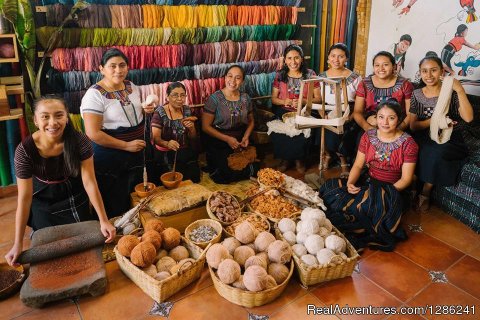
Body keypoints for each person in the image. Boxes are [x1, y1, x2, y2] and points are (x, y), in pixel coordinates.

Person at [5, 97, 116, 266]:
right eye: (45, 117)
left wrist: (104, 220)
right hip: (42, 195)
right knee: (47, 242)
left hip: (73, 191)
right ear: (35, 120)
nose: (53, 122)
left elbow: (89, 182)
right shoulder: (24, 151)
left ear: (66, 117)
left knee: (83, 240)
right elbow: (24, 198)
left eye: (58, 115)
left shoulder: (80, 141)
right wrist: (17, 244)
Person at [320, 99, 418, 251]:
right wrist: (350, 183)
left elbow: (406, 179)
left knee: (365, 207)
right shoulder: (368, 136)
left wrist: (385, 193)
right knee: (329, 189)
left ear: (398, 119)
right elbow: (358, 165)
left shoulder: (408, 143)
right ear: (376, 117)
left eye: (391, 118)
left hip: (393, 190)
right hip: (369, 182)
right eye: (381, 117)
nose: (385, 122)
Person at [81, 48, 155, 217]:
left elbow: (135, 114)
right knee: (115, 198)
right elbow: (93, 133)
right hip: (110, 155)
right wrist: (125, 145)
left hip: (136, 150)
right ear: (101, 69)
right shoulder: (94, 95)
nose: (118, 70)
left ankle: (138, 227)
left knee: (136, 193)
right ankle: (117, 233)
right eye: (112, 66)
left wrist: (146, 110)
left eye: (122, 65)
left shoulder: (132, 87)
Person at [409, 55, 474, 211]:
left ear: (441, 72)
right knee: (414, 147)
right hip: (424, 134)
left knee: (436, 152)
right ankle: (411, 187)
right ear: (420, 73)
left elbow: (469, 118)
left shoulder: (451, 92)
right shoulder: (417, 94)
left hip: (449, 136)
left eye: (433, 70)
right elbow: (413, 126)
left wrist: (459, 89)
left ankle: (426, 190)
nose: (429, 75)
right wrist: (434, 120)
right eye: (424, 71)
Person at [201, 65, 259, 184]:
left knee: (256, 168)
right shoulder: (214, 99)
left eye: (238, 78)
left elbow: (251, 121)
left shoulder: (245, 98)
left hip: (240, 139)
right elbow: (205, 127)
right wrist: (227, 139)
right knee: (223, 175)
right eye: (230, 76)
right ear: (225, 77)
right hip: (220, 140)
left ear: (242, 81)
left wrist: (246, 137)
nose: (233, 81)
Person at [270, 44, 321, 173]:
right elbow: (273, 99)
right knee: (281, 131)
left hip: (304, 111)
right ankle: (285, 159)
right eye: (290, 58)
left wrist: (303, 101)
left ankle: (300, 160)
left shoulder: (310, 74)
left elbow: (319, 99)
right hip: (284, 110)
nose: (293, 62)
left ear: (302, 59)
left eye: (296, 58)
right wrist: (284, 101)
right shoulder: (280, 75)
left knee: (302, 130)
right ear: (285, 60)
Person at [318, 43, 362, 178]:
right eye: (333, 56)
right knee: (326, 128)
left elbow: (360, 102)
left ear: (346, 59)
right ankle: (328, 155)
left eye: (341, 56)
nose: (336, 60)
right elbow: (320, 100)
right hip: (327, 112)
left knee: (343, 130)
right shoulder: (321, 76)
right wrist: (323, 115)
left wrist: (350, 116)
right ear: (328, 58)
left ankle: (343, 161)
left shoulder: (355, 78)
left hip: (349, 112)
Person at [353, 51, 413, 134]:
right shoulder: (364, 84)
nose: (381, 68)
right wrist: (369, 129)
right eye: (377, 65)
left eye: (385, 64)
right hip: (371, 126)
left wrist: (396, 130)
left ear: (394, 66)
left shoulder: (405, 84)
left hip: (397, 127)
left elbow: (411, 114)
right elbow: (357, 112)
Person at [151, 82, 200, 183]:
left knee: (191, 180)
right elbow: (155, 138)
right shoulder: (159, 112)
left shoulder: (187, 110)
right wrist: (167, 143)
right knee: (170, 181)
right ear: (167, 97)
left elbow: (193, 138)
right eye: (175, 95)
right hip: (165, 153)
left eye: (182, 95)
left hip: (184, 151)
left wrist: (192, 129)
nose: (179, 99)